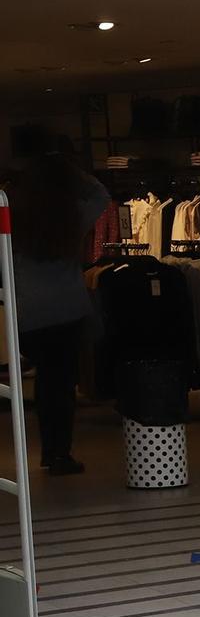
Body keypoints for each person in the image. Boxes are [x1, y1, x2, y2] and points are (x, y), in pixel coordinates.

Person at [2, 145, 110, 475]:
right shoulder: (72, 214)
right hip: (66, 310)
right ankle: (57, 452)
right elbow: (100, 194)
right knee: (59, 385)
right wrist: (68, 170)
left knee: (40, 382)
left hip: (26, 311)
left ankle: (45, 448)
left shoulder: (17, 214)